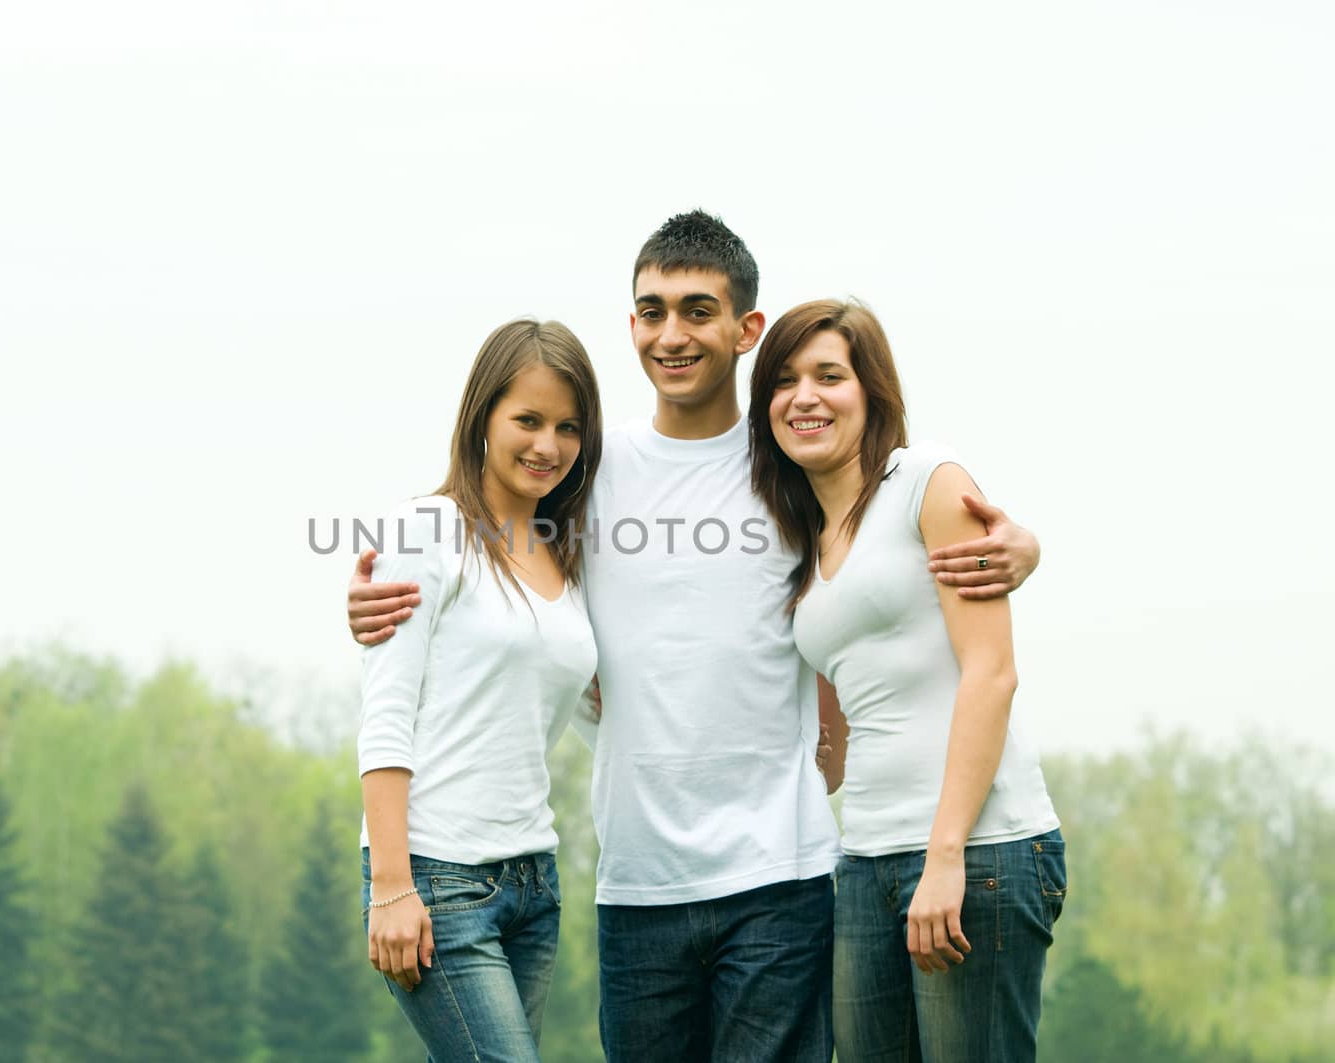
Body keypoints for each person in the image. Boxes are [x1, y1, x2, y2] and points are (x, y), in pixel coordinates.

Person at [348, 212, 1042, 1062]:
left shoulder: (791, 464)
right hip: (635, 881)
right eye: (652, 310)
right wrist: (372, 599)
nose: (672, 334)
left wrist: (1025, 545)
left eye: (698, 310)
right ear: (631, 325)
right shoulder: (586, 478)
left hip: (780, 882)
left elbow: (880, 547)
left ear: (746, 327)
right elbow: (494, 575)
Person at [748, 298, 1066, 1062]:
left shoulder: (927, 479)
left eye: (830, 375)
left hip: (979, 850)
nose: (806, 396)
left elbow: (991, 674)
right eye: (785, 380)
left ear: (872, 391)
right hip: (865, 861)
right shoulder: (807, 540)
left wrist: (945, 853)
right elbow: (840, 736)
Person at [358, 318, 604, 1062]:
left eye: (566, 426)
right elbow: (386, 714)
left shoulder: (565, 557)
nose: (546, 444)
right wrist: (393, 886)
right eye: (526, 419)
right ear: (482, 419)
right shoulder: (427, 530)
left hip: (535, 879)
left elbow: (593, 708)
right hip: (438, 877)